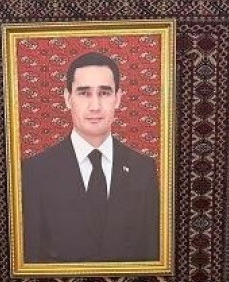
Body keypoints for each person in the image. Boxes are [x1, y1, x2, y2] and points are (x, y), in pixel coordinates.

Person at [20, 51, 160, 263]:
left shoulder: (143, 169)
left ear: (118, 98)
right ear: (68, 98)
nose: (95, 106)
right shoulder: (35, 171)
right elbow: (30, 257)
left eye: (104, 93)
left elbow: (152, 252)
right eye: (84, 93)